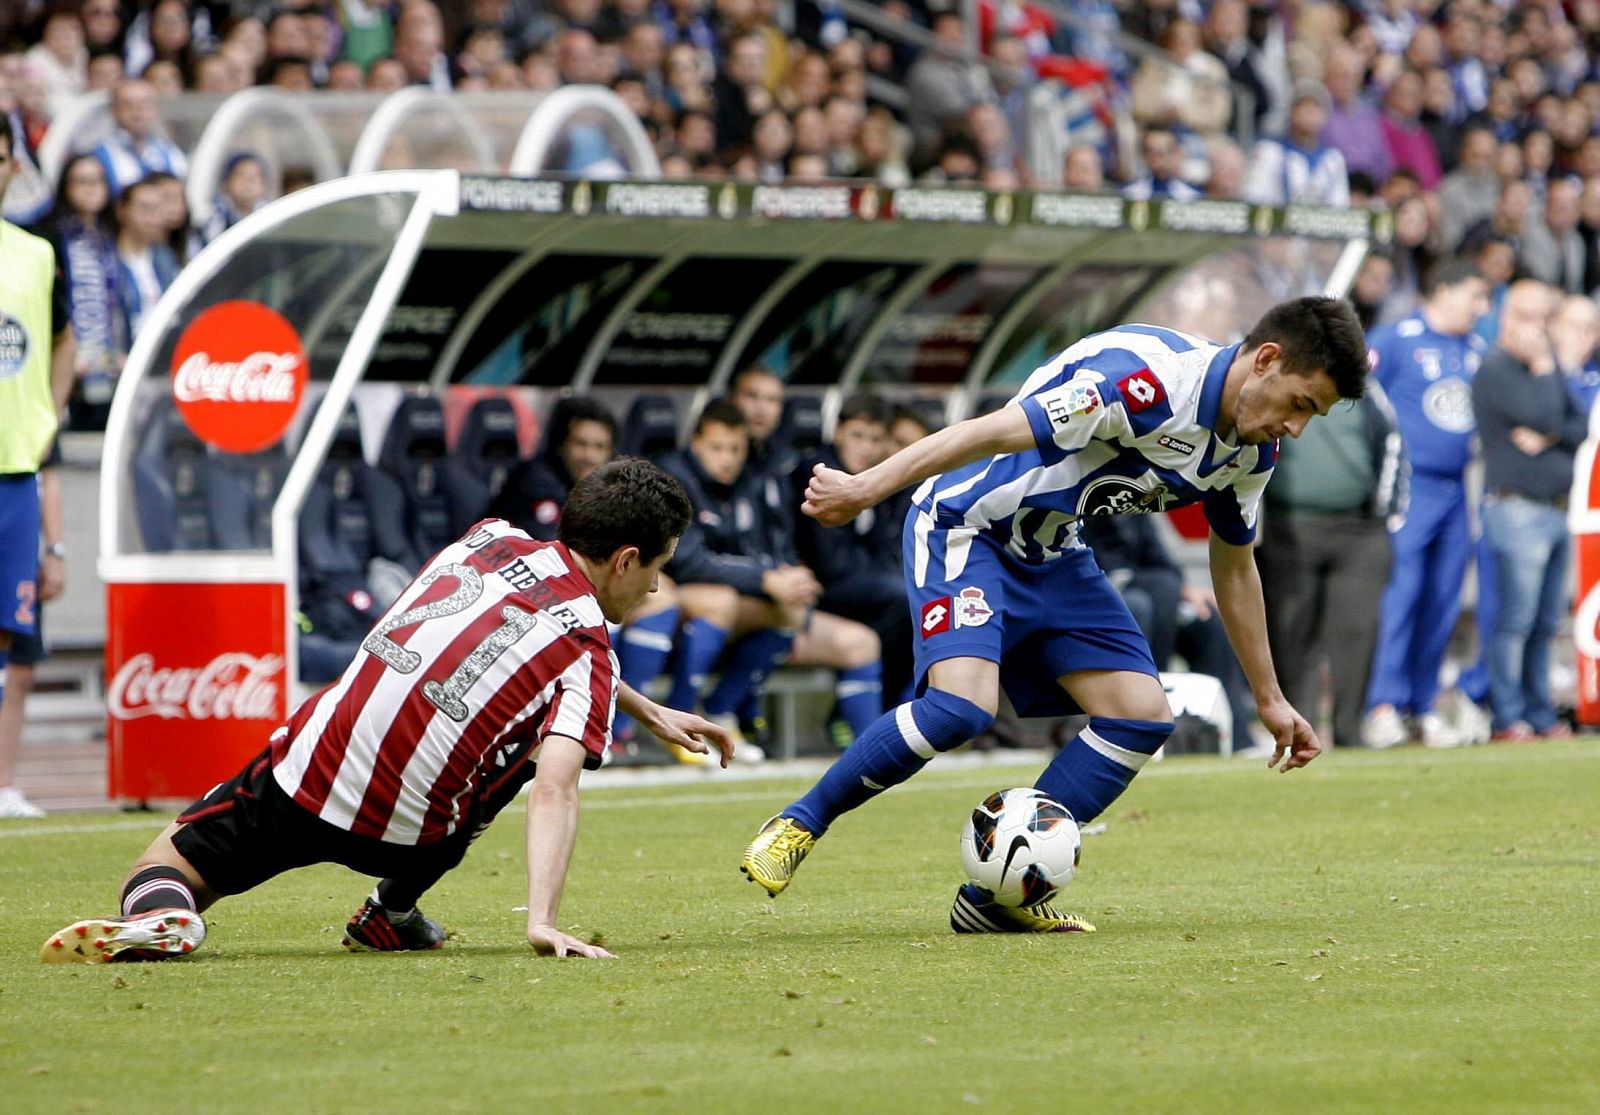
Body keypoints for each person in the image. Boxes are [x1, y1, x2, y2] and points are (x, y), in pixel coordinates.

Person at [741, 297, 1370, 932]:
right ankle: (799, 823)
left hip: (1056, 552)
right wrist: (864, 487)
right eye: (1299, 404)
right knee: (961, 708)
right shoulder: (1140, 382)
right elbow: (986, 431)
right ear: (1267, 360)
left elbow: (1235, 567)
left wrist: (1269, 696)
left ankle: (994, 903)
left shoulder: (1250, 455)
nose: (1296, 428)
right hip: (969, 526)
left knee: (1142, 714)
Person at [41, 459, 734, 964]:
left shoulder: (486, 537)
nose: (653, 590)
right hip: (413, 833)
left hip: (306, 777)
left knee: (161, 866)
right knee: (525, 744)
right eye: (656, 570)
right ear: (625, 559)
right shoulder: (589, 646)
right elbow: (555, 780)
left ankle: (164, 911)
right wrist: (542, 921)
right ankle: (390, 909)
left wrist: (642, 708)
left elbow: (523, 643)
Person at [490, 397, 682, 755]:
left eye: (599, 447)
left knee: (662, 600)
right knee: (609, 605)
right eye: (581, 444)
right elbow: (555, 556)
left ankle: (619, 732)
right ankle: (594, 729)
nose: (589, 456)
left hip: (566, 598)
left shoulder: (605, 492)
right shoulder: (535, 481)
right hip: (523, 600)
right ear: (562, 444)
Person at [1364, 259, 1490, 748]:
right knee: (1402, 594)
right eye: (1476, 296)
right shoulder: (1395, 339)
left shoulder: (1472, 349)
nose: (1482, 308)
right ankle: (1382, 704)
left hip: (1458, 489)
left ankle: (1422, 705)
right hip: (1409, 487)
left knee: (1443, 598)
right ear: (1443, 290)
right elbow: (1364, 401)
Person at [1255, 383, 1406, 750]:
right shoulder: (1275, 385)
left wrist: (1383, 512)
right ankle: (1298, 732)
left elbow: (1391, 442)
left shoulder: (1365, 390)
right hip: (1288, 529)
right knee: (1292, 636)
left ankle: (1350, 732)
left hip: (1359, 530)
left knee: (1356, 634)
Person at [1473, 281, 1583, 741]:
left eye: (1543, 320)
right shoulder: (1496, 369)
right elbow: (1547, 416)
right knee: (1515, 621)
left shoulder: (1548, 368)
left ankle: (1540, 714)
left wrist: (1551, 433)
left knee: (1545, 623)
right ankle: (1508, 716)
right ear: (1508, 319)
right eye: (1529, 319)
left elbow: (1578, 425)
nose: (1538, 331)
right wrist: (1543, 373)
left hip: (1556, 510)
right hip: (1517, 509)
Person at [1, 115, 76, 768]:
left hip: (17, 468)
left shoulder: (37, 251)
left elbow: (62, 337)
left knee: (10, 637)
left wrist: (47, 412)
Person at [0, 439, 63, 818]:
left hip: (20, 542)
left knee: (19, 668)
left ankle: (3, 786)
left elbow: (49, 475)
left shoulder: (31, 406)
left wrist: (56, 550)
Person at [1242, 81, 1350, 208]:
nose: (1310, 111)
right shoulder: (1269, 152)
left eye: (1316, 106)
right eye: (1303, 105)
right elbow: (1254, 199)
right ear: (1291, 112)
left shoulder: (1333, 159)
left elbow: (1340, 207)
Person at [90, 78, 187, 198]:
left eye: (144, 103)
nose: (137, 110)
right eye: (127, 104)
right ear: (113, 110)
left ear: (155, 109)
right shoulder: (98, 157)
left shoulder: (171, 153)